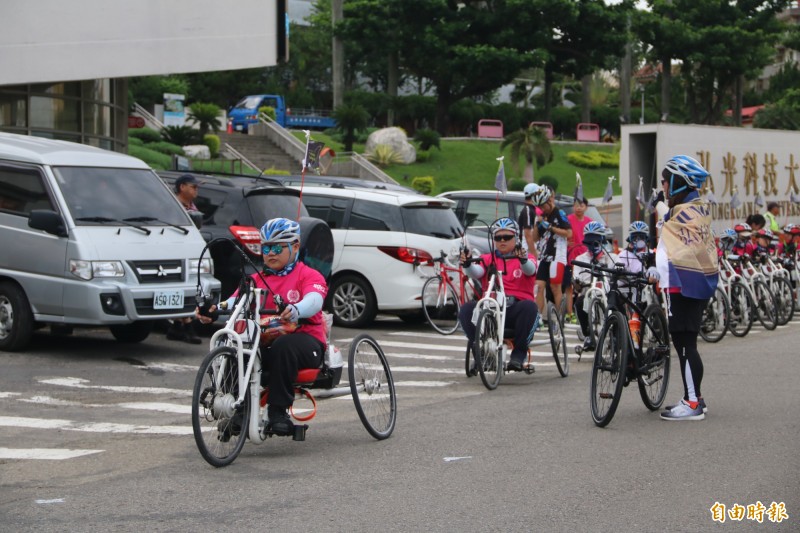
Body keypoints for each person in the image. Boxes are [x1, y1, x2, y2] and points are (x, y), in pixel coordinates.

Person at [204, 218, 328, 436]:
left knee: (284, 345)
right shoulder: (255, 280)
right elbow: (234, 302)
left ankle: (278, 412)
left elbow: (315, 300)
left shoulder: (309, 275)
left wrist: (297, 309)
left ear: (295, 246)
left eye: (277, 247)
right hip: (266, 343)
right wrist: (214, 308)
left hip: (307, 342)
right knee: (238, 349)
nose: (270, 253)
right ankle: (240, 410)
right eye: (266, 247)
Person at [655, 155, 718, 421]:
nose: (665, 188)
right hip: (694, 282)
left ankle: (693, 403)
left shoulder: (684, 212)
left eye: (666, 182)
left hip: (685, 285)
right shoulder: (697, 207)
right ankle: (694, 397)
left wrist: (661, 209)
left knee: (685, 344)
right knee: (685, 343)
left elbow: (671, 238)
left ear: (679, 182)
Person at [458, 218, 539, 372]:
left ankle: (518, 355)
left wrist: (522, 260)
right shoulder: (488, 258)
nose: (502, 241)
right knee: (467, 309)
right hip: (492, 309)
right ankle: (481, 353)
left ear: (516, 238)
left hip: (515, 309)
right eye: (498, 237)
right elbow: (477, 273)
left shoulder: (527, 258)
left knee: (529, 307)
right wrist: (467, 264)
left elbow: (530, 270)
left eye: (507, 237)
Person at [166, 173, 203, 344]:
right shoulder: (172, 206)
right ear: (182, 187)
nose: (196, 190)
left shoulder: (192, 206)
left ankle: (176, 326)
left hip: (190, 252)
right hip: (175, 253)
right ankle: (187, 325)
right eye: (193, 186)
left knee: (188, 288)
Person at [572, 221, 617, 353]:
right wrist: (577, 282)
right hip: (588, 293)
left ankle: (616, 334)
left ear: (602, 240)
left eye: (595, 242)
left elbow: (619, 271)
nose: (592, 246)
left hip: (607, 291)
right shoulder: (580, 259)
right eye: (589, 242)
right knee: (580, 303)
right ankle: (588, 335)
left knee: (617, 302)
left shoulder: (612, 258)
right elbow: (576, 278)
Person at [530, 187, 572, 323]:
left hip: (557, 255)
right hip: (544, 256)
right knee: (539, 287)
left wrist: (551, 228)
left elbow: (569, 233)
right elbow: (534, 238)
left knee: (555, 287)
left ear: (549, 201)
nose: (542, 208)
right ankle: (538, 318)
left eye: (543, 205)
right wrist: (538, 223)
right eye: (539, 207)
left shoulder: (559, 212)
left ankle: (560, 317)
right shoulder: (543, 215)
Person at [564, 196, 593, 324]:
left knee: (587, 285)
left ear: (586, 207)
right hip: (571, 256)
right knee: (570, 286)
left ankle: (587, 311)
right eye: (576, 205)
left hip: (586, 258)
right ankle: (570, 314)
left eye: (581, 205)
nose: (578, 208)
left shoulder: (590, 221)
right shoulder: (568, 220)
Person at [518, 183, 540, 257]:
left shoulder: (532, 209)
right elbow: (527, 234)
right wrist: (533, 253)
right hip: (526, 250)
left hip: (530, 248)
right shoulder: (527, 210)